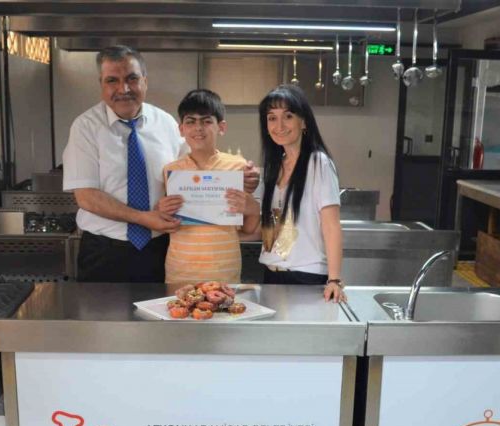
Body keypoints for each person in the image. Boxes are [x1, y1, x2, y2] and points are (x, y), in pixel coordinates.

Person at [62, 45, 259, 283]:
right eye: (112, 80)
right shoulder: (85, 127)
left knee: (161, 307)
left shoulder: (166, 123)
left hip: (159, 249)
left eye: (132, 78)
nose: (124, 89)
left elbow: (196, 173)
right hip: (104, 251)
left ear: (145, 81)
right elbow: (86, 197)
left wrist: (243, 179)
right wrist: (143, 217)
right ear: (101, 84)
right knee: (104, 309)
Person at [157, 89, 259, 285]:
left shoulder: (238, 167)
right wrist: (162, 211)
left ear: (221, 127)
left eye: (206, 121)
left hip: (224, 272)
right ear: (181, 129)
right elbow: (165, 222)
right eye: (190, 121)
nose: (198, 128)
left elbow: (249, 228)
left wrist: (253, 209)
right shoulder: (171, 171)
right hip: (180, 272)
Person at [257, 85, 345, 302]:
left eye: (288, 116)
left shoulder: (318, 162)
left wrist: (334, 279)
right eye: (272, 118)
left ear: (304, 122)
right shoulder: (273, 167)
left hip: (307, 277)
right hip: (271, 273)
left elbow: (331, 225)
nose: (279, 125)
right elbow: (274, 226)